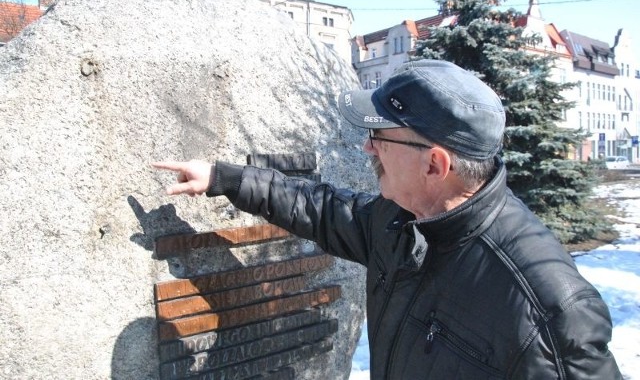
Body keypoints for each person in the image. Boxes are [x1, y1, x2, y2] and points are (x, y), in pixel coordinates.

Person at [153, 59, 622, 379]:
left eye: (381, 137)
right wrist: (223, 177)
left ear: (435, 164)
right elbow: (318, 207)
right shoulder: (403, 221)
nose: (367, 147)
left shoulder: (548, 309)